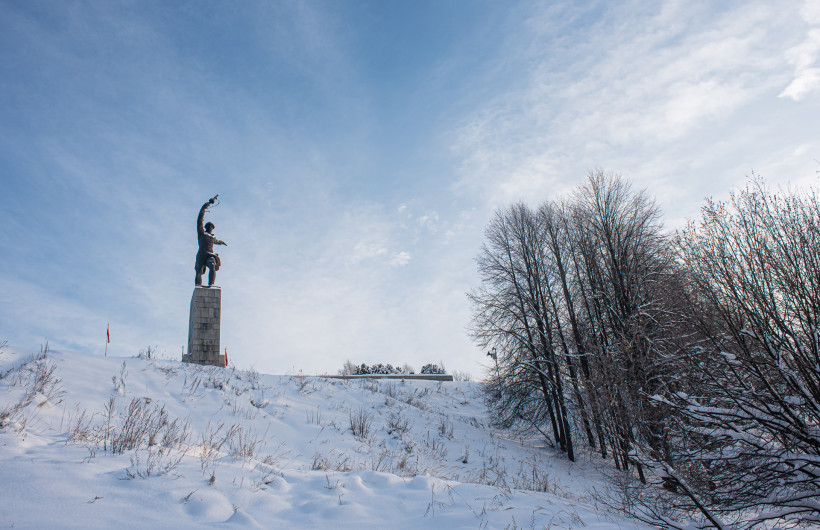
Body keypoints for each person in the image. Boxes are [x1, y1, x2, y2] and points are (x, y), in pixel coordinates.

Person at [195, 195, 227, 286]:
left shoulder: (212, 237)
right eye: (209, 227)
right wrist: (206, 205)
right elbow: (199, 219)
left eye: (212, 227)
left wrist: (222, 242)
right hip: (201, 254)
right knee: (199, 272)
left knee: (212, 264)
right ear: (206, 227)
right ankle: (198, 286)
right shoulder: (202, 233)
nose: (211, 228)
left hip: (210, 254)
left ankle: (211, 284)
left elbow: (217, 241)